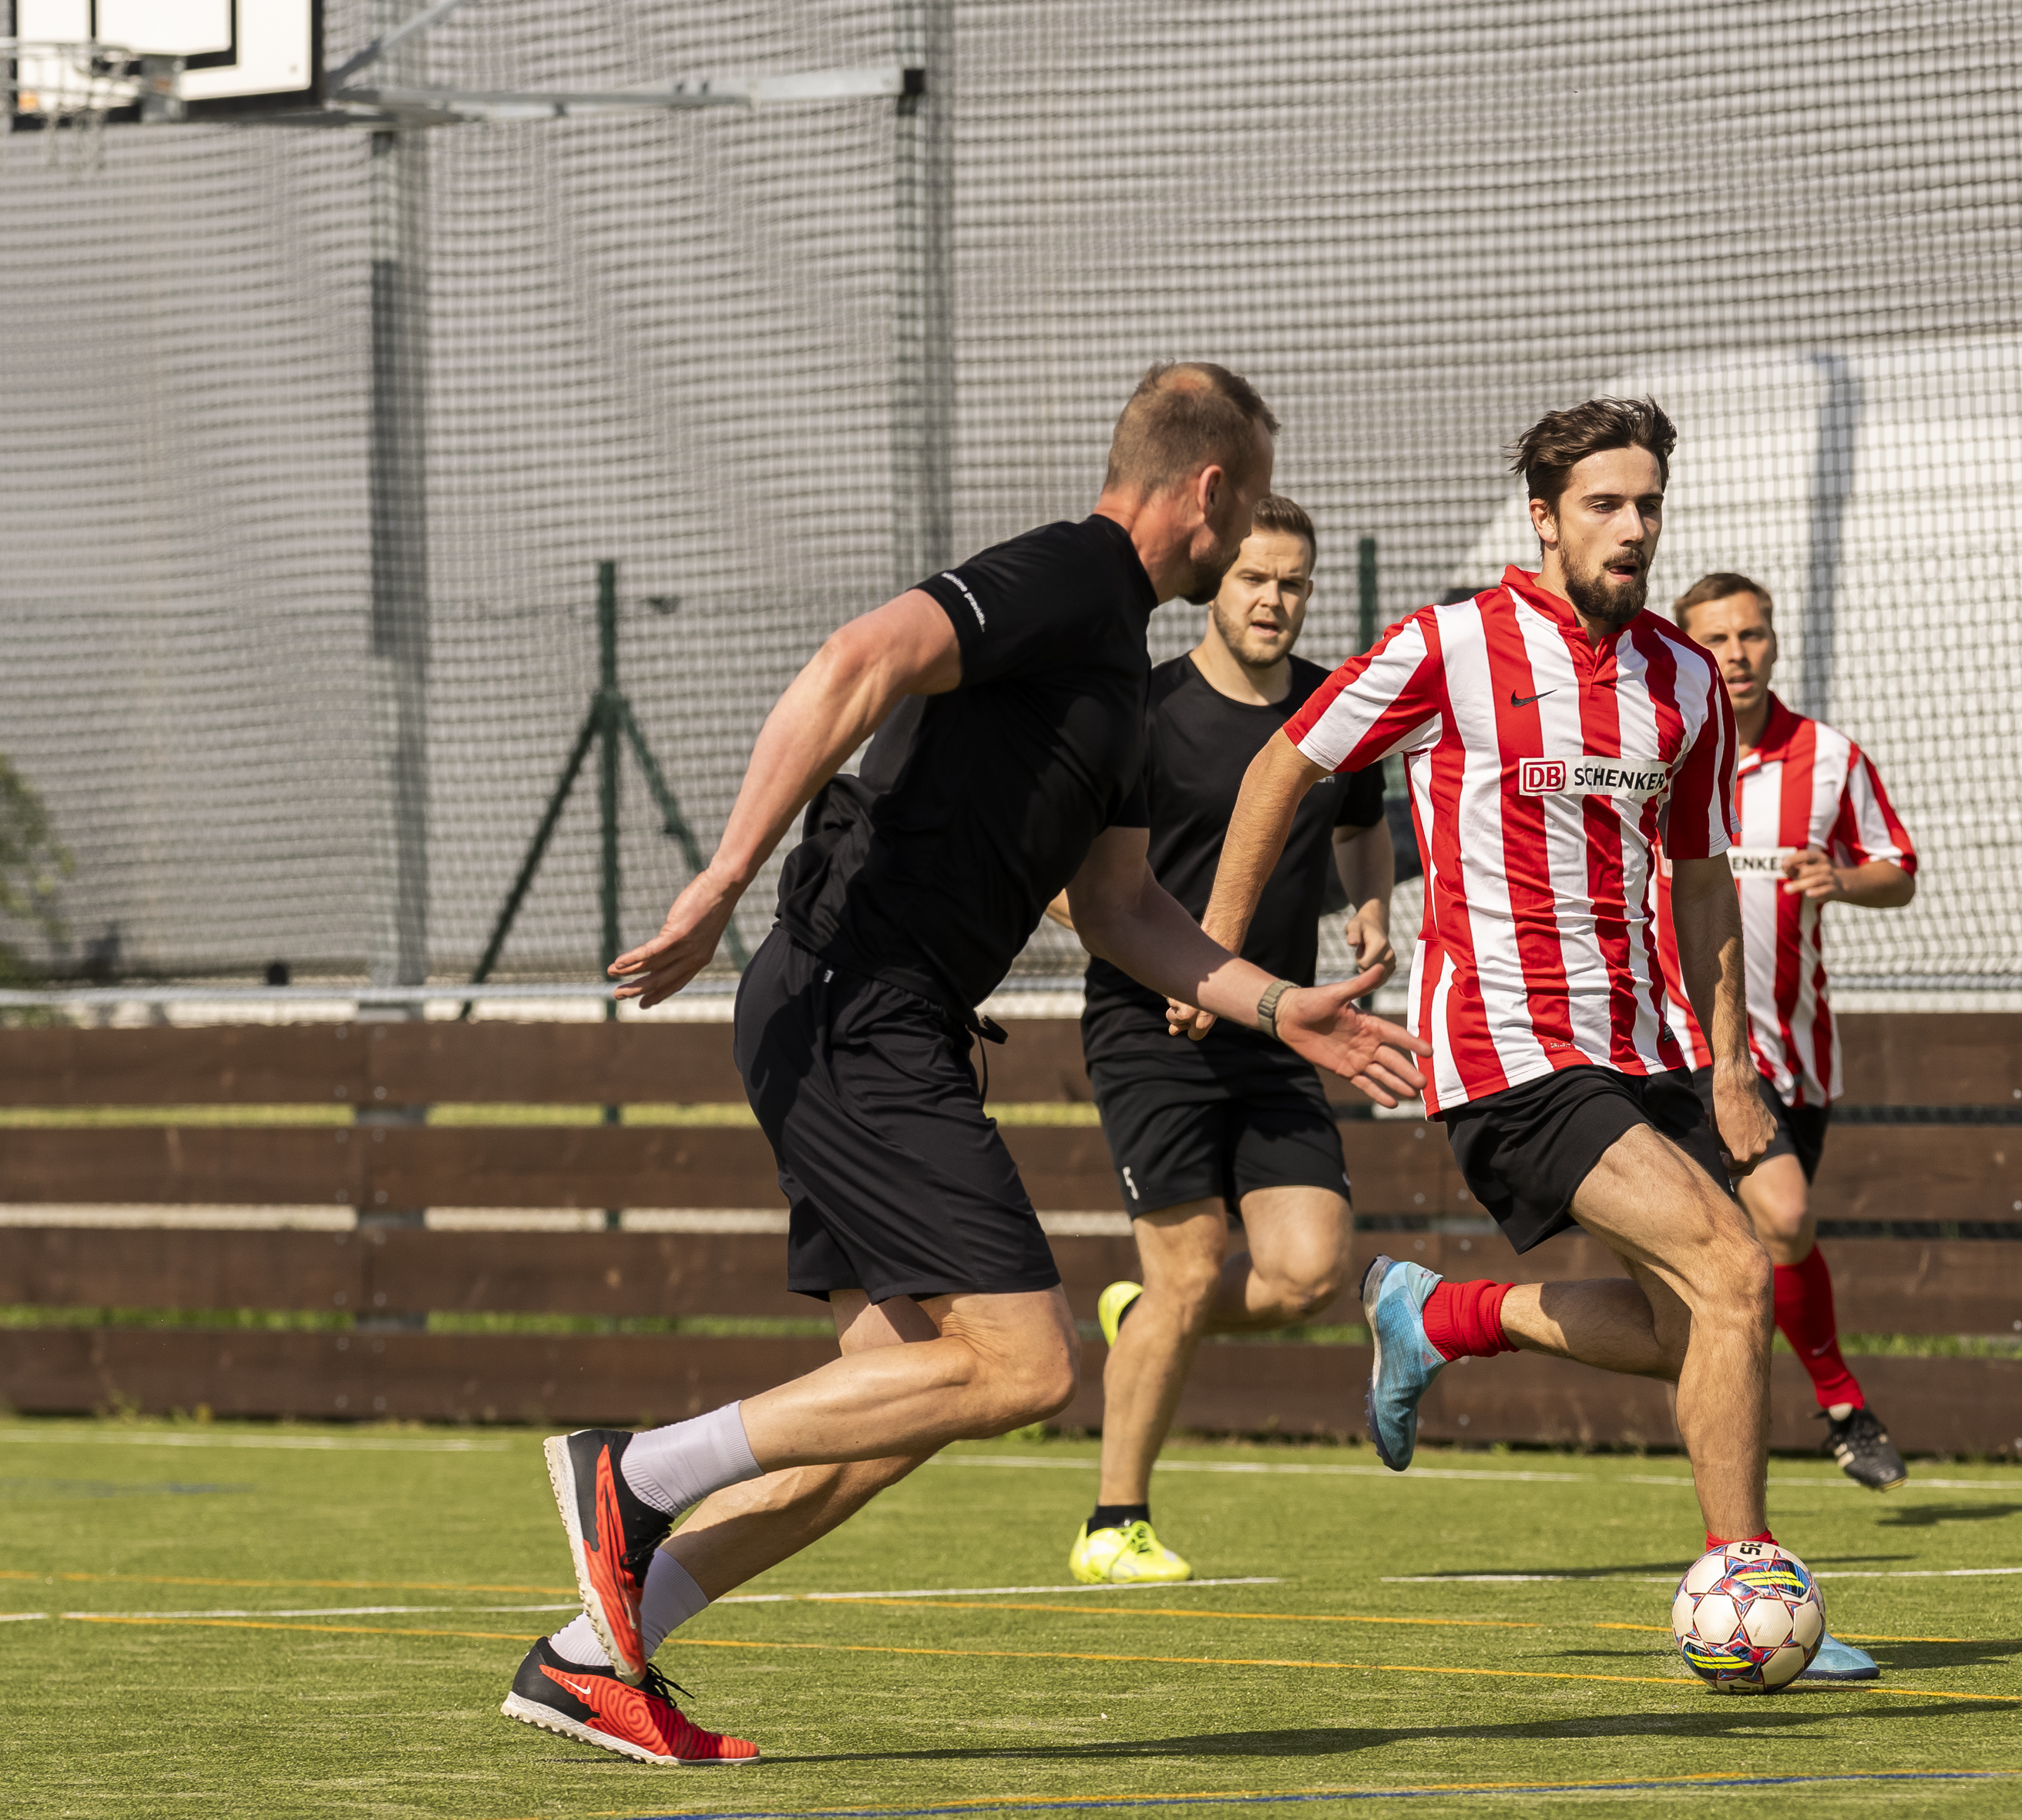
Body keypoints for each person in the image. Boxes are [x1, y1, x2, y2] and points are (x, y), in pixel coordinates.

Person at [496, 364, 1426, 1767]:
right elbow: (855, 661)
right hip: (852, 999)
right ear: (1211, 491)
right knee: (1023, 1360)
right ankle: (632, 1475)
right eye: (1244, 522)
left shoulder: (1117, 665)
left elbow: (1123, 911)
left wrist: (1274, 1002)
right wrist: (720, 875)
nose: (1249, 556)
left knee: (895, 1411)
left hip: (880, 1017)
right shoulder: (1069, 573)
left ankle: (589, 1659)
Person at [1191, 395, 1800, 1546]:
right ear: (1543, 517)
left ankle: (1442, 1313)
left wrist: (1729, 1062)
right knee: (1732, 1268)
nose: (1633, 529)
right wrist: (1214, 957)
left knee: (1699, 1322)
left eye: (1648, 506)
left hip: (1638, 1041)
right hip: (1504, 1045)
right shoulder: (1448, 644)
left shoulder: (1682, 679)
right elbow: (1283, 764)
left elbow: (1705, 877)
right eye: (1604, 505)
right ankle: (1745, 1583)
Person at [1045, 493, 1393, 1583]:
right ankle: (1113, 1522)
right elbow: (1062, 882)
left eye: (1292, 582)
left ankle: (1149, 1315)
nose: (1274, 601)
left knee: (1308, 1273)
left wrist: (1370, 901)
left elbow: (1362, 822)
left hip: (1281, 1026)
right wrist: (1163, 952)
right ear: (1216, 583)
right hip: (1152, 1024)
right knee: (1191, 1266)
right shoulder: (1141, 711)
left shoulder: (1336, 713)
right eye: (1254, 578)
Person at [1650, 573, 1919, 1492]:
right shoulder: (1659, 746)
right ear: (1685, 647)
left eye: (1750, 636)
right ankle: (1841, 1406)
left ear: (1772, 644)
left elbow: (1898, 868)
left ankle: (1449, 1319)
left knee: (1765, 1252)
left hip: (1795, 1055)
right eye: (1715, 639)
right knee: (1779, 1218)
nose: (1735, 654)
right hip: (1683, 1049)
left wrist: (1843, 879)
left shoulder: (1829, 759)